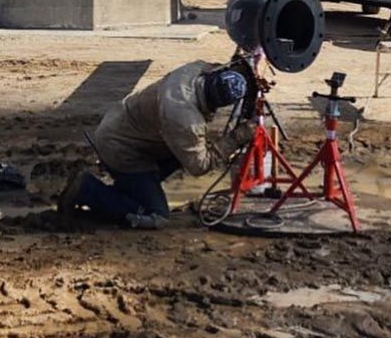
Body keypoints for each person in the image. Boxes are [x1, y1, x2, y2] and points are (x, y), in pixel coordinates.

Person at [60, 60, 256, 229]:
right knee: (156, 216)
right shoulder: (186, 121)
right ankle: (87, 189)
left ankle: (134, 188)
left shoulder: (195, 70)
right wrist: (237, 138)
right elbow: (200, 166)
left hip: (124, 124)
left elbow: (224, 67)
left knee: (185, 152)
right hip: (121, 149)